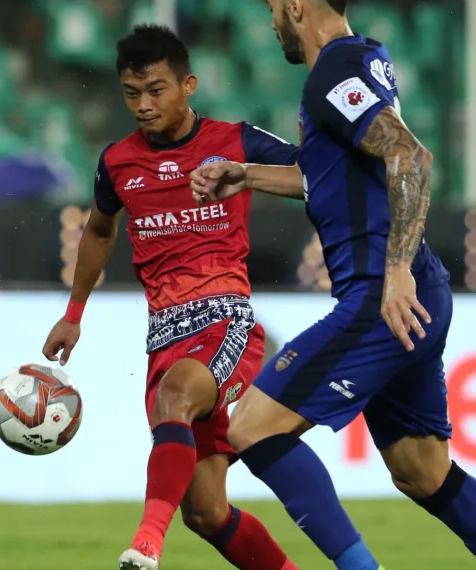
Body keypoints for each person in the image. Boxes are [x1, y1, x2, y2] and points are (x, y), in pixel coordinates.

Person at [190, 1, 476, 570]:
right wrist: (248, 175)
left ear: (296, 5)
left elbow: (409, 155)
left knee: (253, 426)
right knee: (423, 472)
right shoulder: (362, 60)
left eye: (272, 8)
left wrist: (396, 268)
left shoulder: (335, 69)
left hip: (385, 294)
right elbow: (335, 176)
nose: (271, 22)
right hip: (415, 291)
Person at [42, 24, 301, 570]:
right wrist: (74, 313)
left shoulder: (235, 140)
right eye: (131, 93)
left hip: (225, 319)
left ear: (189, 84)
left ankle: (145, 546)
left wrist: (248, 176)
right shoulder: (117, 163)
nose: (142, 104)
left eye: (156, 89)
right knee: (206, 513)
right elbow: (98, 230)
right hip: (165, 332)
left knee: (174, 400)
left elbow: (312, 175)